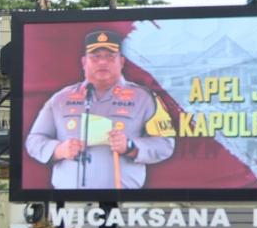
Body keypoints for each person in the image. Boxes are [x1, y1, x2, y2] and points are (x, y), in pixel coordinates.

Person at [22, 28, 175, 189]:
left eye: (110, 56)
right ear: (84, 62)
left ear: (122, 62)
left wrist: (130, 146)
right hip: (69, 200)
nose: (102, 62)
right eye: (95, 57)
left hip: (123, 199)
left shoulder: (144, 98)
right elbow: (34, 141)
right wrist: (59, 150)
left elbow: (165, 144)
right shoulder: (60, 99)